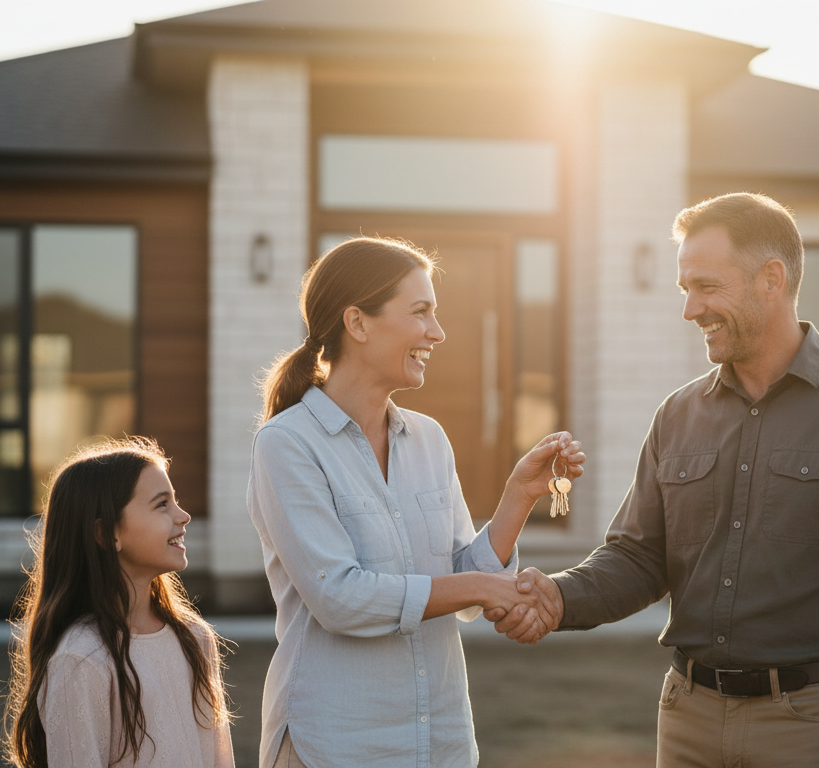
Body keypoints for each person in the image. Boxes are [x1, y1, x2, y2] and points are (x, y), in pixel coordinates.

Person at [490, 193, 819, 767]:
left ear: (771, 280)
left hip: (811, 728)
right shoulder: (677, 416)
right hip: (687, 719)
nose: (690, 310)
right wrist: (558, 596)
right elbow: (638, 557)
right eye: (685, 289)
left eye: (706, 287)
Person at [248, 236, 582, 768]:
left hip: (442, 745)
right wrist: (481, 585)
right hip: (333, 747)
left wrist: (518, 497)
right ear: (357, 323)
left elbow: (463, 592)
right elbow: (339, 598)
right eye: (421, 312)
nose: (438, 332)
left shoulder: (429, 439)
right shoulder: (286, 445)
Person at [3, 437, 233, 768]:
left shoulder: (195, 638)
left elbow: (219, 758)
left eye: (175, 501)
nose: (183, 516)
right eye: (161, 504)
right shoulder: (81, 658)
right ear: (106, 534)